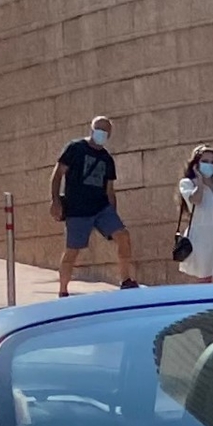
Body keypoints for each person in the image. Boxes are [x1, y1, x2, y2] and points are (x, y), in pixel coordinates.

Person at [52, 114, 136, 295]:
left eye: (105, 131)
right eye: (99, 129)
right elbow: (58, 174)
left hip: (101, 208)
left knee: (123, 236)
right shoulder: (75, 148)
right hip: (77, 210)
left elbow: (110, 190)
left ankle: (125, 279)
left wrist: (114, 216)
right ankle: (63, 290)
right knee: (72, 251)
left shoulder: (107, 159)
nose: (101, 133)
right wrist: (55, 201)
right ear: (91, 129)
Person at [172, 145, 213, 283]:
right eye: (205, 161)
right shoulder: (187, 184)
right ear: (196, 164)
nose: (209, 165)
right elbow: (197, 199)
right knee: (204, 280)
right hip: (200, 239)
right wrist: (200, 182)